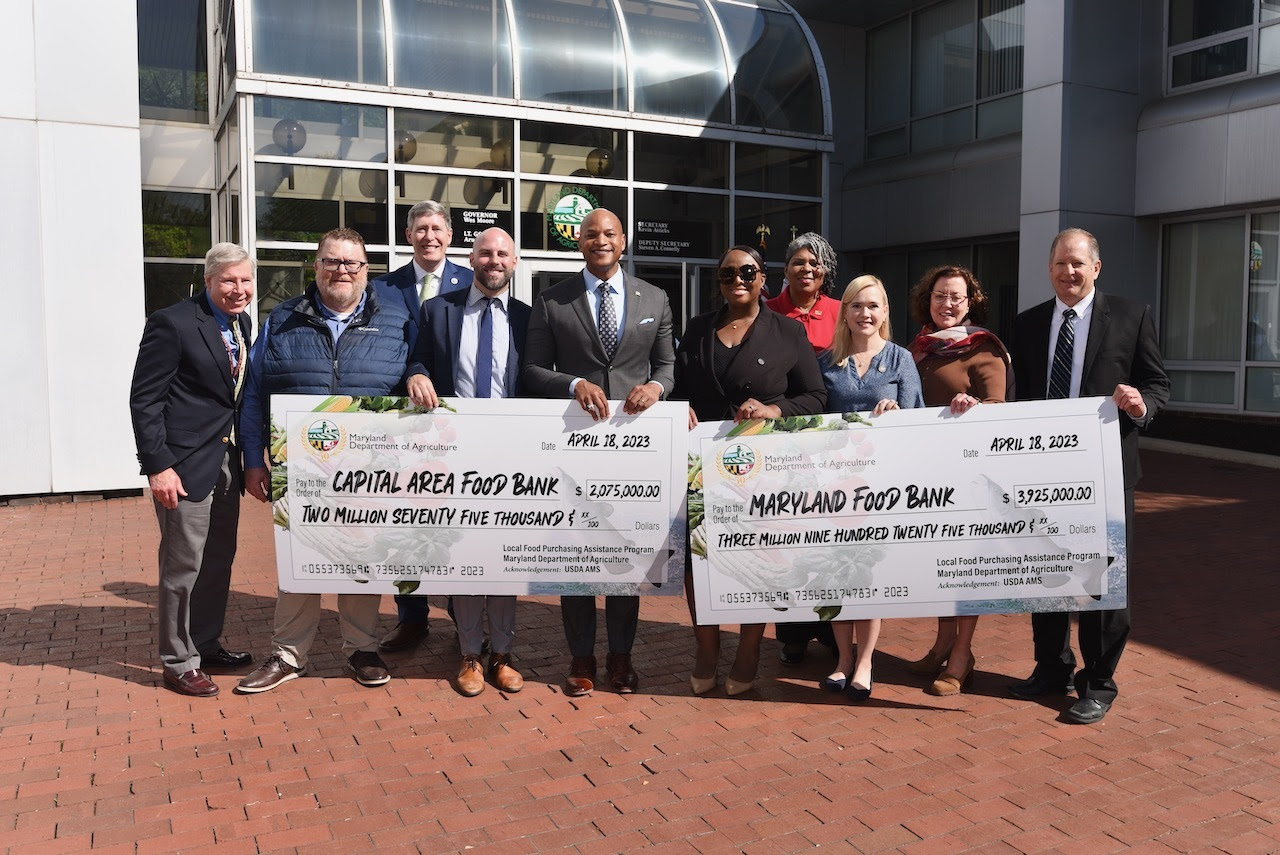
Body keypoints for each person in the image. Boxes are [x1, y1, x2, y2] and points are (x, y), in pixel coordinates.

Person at [236, 228, 412, 693]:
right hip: (299, 464)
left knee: (361, 555)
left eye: (351, 263)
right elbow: (254, 391)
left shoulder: (395, 317)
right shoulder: (285, 317)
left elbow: (416, 376)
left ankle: (361, 648)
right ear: (315, 267)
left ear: (365, 269)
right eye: (332, 261)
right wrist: (253, 458)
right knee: (300, 561)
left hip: (369, 468)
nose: (341, 271)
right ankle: (290, 654)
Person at [1008, 228, 1169, 724]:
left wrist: (1142, 406)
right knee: (1048, 574)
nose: (1069, 272)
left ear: (1095, 268)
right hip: (1044, 476)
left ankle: (1098, 682)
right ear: (1050, 269)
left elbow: (1157, 383)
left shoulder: (1131, 315)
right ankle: (1051, 667)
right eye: (1060, 264)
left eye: (1078, 264)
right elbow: (1015, 397)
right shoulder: (1027, 325)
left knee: (1103, 580)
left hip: (1107, 471)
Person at [522, 207, 676, 696]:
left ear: (624, 240)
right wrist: (572, 383)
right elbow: (531, 369)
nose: (601, 240)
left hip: (633, 450)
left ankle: (621, 659)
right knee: (574, 558)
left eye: (609, 233)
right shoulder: (552, 300)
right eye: (591, 234)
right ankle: (582, 658)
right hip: (573, 448)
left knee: (625, 560)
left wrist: (655, 387)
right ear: (579, 242)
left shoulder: (655, 297)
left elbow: (668, 364)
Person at [674, 245, 827, 696]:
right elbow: (681, 388)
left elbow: (816, 397)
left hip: (759, 467)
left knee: (754, 557)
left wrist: (774, 409)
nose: (737, 279)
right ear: (718, 281)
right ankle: (706, 649)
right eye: (727, 274)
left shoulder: (786, 332)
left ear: (763, 278)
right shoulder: (699, 328)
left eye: (747, 272)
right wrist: (678, 406)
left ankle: (747, 652)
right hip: (700, 465)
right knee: (696, 559)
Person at [404, 228, 530, 696]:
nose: (493, 260)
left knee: (501, 556)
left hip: (509, 455)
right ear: (470, 258)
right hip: (453, 452)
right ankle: (470, 655)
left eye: (502, 254)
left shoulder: (527, 318)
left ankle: (502, 654)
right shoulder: (439, 309)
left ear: (514, 263)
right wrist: (417, 375)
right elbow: (416, 361)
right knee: (462, 555)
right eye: (485, 253)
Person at [129, 243, 257, 697]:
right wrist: (158, 466)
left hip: (226, 464)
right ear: (208, 281)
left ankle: (205, 643)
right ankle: (178, 660)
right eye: (228, 280)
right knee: (182, 566)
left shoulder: (242, 324)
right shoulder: (173, 322)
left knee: (218, 560)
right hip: (182, 467)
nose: (239, 289)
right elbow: (144, 400)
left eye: (245, 280)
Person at [373, 200, 474, 653]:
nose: (429, 235)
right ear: (408, 235)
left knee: (458, 519)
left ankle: (461, 613)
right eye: (420, 228)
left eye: (437, 228)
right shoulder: (383, 287)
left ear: (449, 235)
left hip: (457, 424)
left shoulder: (472, 282)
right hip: (402, 423)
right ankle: (412, 617)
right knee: (406, 519)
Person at [818, 275, 923, 702]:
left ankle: (865, 662)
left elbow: (917, 416)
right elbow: (811, 418)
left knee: (868, 574)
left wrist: (895, 412)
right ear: (845, 311)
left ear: (885, 313)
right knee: (836, 574)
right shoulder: (826, 362)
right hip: (833, 485)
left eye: (874, 306)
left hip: (880, 486)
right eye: (857, 305)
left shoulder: (900, 360)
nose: (866, 314)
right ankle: (843, 659)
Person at [906, 265, 1011, 696]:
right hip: (927, 474)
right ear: (927, 300)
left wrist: (976, 406)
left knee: (967, 569)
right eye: (939, 296)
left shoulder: (983, 349)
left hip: (970, 476)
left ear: (971, 303)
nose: (947, 304)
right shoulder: (917, 349)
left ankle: (963, 656)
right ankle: (942, 645)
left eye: (956, 297)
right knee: (940, 566)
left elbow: (999, 408)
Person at [766, 232, 842, 665]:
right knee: (788, 536)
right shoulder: (769, 310)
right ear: (785, 268)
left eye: (815, 263)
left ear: (826, 270)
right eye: (798, 261)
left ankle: (833, 629)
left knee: (830, 539)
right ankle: (792, 632)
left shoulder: (840, 311)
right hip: (783, 440)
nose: (806, 269)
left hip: (833, 441)